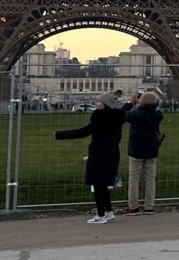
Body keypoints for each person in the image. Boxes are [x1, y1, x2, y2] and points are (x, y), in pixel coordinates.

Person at [54, 91, 128, 225]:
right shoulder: (117, 117)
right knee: (103, 184)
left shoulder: (100, 119)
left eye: (99, 102)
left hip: (99, 154)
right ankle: (108, 211)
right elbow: (124, 111)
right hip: (112, 153)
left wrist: (59, 135)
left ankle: (101, 214)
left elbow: (82, 132)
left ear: (105, 104)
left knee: (98, 183)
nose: (96, 104)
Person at [118, 89, 165, 215]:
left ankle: (133, 206)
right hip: (151, 150)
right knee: (150, 179)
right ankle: (149, 206)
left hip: (136, 150)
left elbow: (120, 115)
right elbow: (156, 109)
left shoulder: (135, 114)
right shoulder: (158, 115)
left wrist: (131, 102)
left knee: (134, 179)